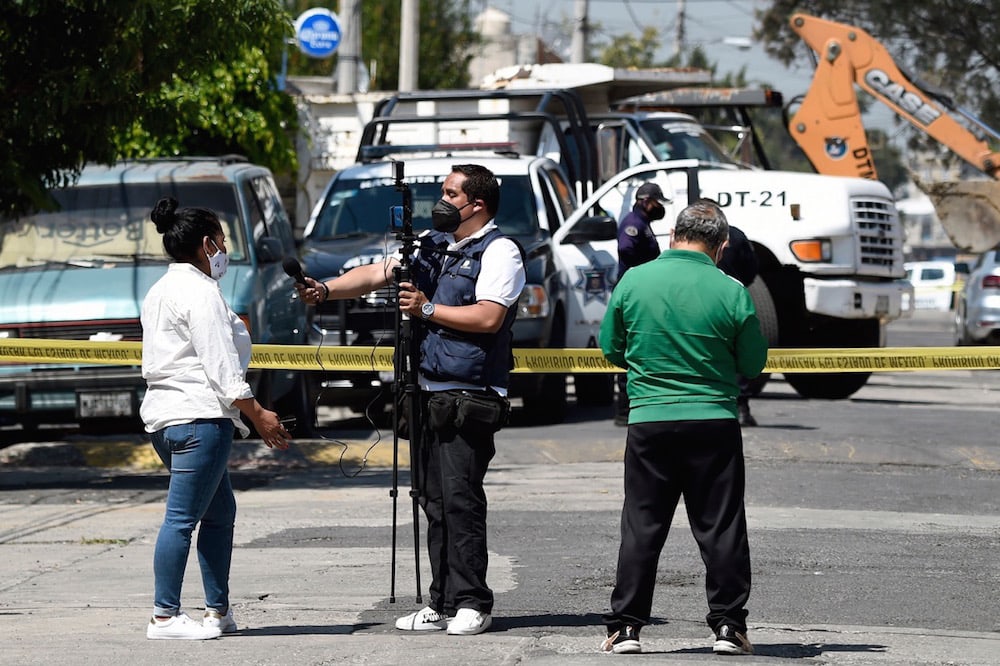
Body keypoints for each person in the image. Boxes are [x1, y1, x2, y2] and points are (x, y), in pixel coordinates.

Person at [295, 164, 525, 637]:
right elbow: (377, 272)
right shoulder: (433, 244)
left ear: (476, 204)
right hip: (424, 390)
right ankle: (440, 601)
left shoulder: (500, 252)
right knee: (432, 501)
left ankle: (473, 602)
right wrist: (324, 290)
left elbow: (488, 318)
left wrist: (425, 308)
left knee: (461, 501)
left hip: (469, 393)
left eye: (450, 193)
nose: (441, 201)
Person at [598, 199, 768, 655]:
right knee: (721, 527)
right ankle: (729, 628)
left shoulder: (635, 280)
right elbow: (753, 362)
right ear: (722, 245)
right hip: (712, 421)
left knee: (642, 525)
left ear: (673, 235)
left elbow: (611, 349)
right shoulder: (732, 289)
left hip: (650, 420)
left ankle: (626, 628)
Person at [141, 197, 292, 640]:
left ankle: (217, 610)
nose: (225, 249)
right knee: (182, 519)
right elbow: (221, 367)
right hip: (198, 420)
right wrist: (259, 413)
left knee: (220, 510)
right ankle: (165, 616)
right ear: (208, 245)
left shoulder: (161, 289)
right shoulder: (200, 292)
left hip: (169, 419)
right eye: (223, 241)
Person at [613, 182, 669, 426]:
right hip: (634, 295)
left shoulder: (643, 224)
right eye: (657, 202)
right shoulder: (634, 223)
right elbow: (626, 249)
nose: (659, 208)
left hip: (642, 293)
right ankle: (624, 409)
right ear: (646, 201)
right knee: (630, 347)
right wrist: (645, 271)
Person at [716, 221, 761, 427]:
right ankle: (741, 408)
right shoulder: (735, 235)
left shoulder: (691, 236)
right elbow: (752, 267)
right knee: (736, 351)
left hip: (700, 302)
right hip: (733, 301)